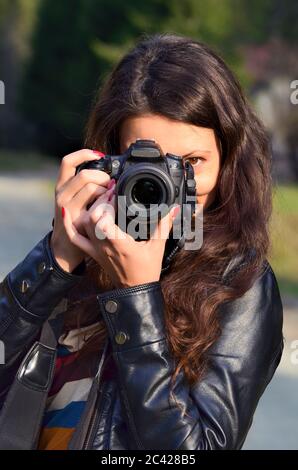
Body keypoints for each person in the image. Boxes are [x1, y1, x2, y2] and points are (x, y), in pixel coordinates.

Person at [0, 33, 283, 450]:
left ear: (228, 160)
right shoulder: (79, 256)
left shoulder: (240, 284)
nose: (168, 185)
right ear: (109, 159)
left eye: (190, 164)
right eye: (145, 162)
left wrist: (136, 298)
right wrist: (55, 258)